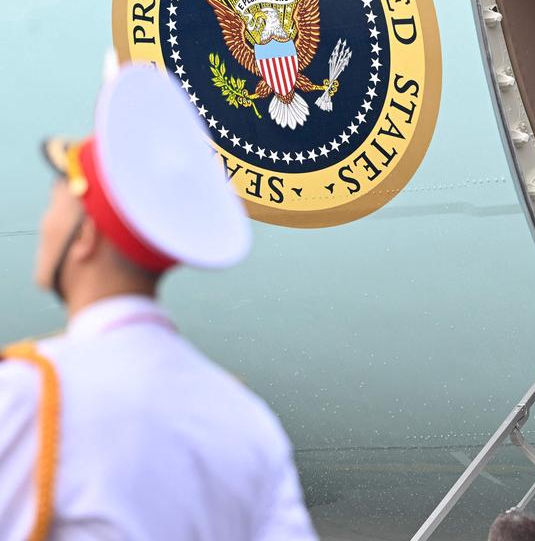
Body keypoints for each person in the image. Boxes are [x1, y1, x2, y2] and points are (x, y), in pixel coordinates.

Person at [0, 65, 317, 539]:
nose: (43, 226)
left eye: (54, 205)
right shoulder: (246, 421)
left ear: (84, 237)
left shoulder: (30, 394)